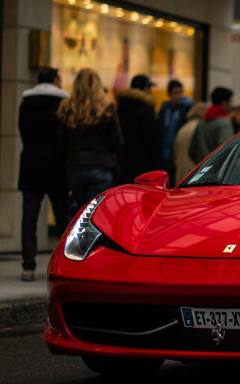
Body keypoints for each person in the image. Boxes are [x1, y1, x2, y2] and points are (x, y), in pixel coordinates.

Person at [17, 67, 68, 281]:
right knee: (63, 220)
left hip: (30, 164)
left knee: (29, 219)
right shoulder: (61, 105)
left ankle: (28, 266)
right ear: (55, 81)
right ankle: (64, 266)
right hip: (56, 165)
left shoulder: (25, 105)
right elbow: (64, 138)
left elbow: (22, 132)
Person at [59, 68, 122, 214]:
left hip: (75, 166)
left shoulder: (67, 108)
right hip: (101, 165)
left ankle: (80, 237)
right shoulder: (106, 108)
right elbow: (117, 140)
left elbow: (61, 143)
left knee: (80, 213)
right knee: (98, 215)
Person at [115, 74, 164, 183]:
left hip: (123, 167)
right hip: (144, 170)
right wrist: (159, 168)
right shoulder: (146, 111)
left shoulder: (120, 109)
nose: (150, 91)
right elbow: (153, 143)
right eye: (149, 88)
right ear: (144, 88)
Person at [158, 79, 194, 183]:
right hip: (165, 154)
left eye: (180, 92)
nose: (179, 96)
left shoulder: (186, 109)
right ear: (169, 94)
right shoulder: (165, 109)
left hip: (177, 154)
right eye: (175, 93)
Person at [189, 86, 235, 164]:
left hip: (201, 169)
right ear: (224, 102)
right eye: (230, 101)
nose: (232, 105)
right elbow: (227, 151)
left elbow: (192, 150)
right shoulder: (224, 123)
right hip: (218, 171)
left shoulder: (202, 122)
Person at [171, 102, 208, 182]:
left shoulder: (183, 128)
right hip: (193, 173)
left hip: (180, 172)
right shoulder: (201, 127)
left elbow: (175, 153)